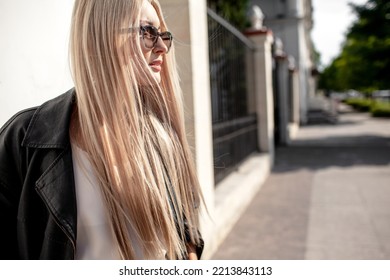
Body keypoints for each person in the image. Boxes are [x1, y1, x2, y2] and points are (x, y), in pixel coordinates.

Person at [0, 0, 204, 260]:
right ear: (104, 34)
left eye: (163, 35)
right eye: (148, 33)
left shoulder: (160, 137)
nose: (162, 47)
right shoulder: (25, 141)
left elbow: (184, 232)